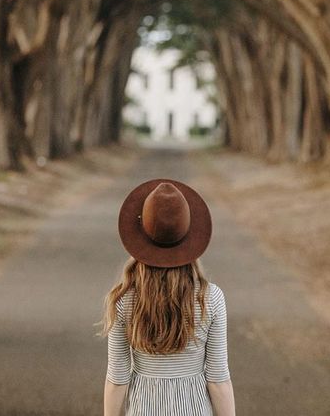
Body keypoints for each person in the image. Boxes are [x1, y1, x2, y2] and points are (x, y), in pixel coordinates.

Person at [97, 178, 236, 415]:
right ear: (191, 238)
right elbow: (218, 380)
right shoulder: (210, 298)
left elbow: (117, 378)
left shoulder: (123, 300)